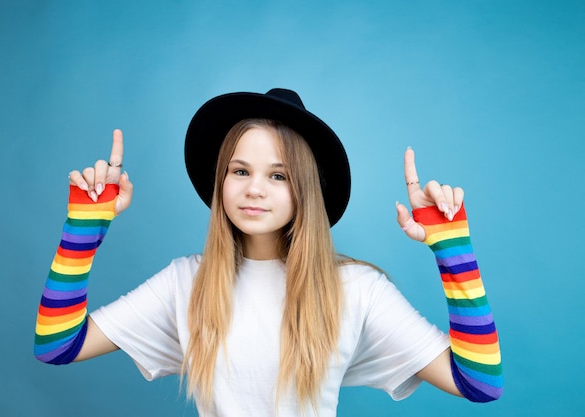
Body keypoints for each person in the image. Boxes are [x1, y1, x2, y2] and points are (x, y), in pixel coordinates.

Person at [34, 88, 502, 416]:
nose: (254, 189)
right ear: (221, 180)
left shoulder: (357, 290)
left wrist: (451, 246)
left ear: (305, 190)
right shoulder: (186, 283)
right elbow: (57, 346)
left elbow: (478, 383)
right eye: (240, 170)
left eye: (278, 175)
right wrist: (85, 227)